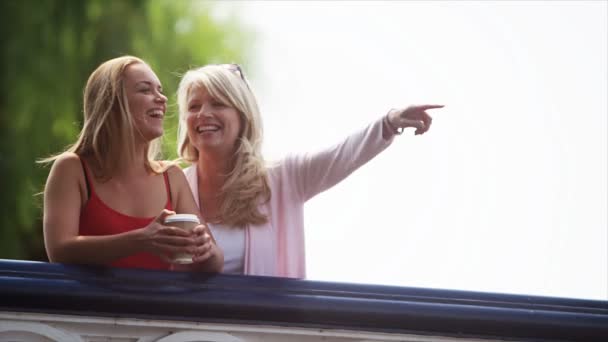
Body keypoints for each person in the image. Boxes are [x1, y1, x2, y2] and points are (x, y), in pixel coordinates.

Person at [176, 63, 442, 278]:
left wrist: (390, 122)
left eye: (218, 104)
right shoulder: (173, 185)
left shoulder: (284, 178)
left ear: (242, 115)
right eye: (194, 106)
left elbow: (342, 155)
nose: (203, 114)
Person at [41, 56, 223, 272]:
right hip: (92, 307)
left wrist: (205, 250)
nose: (162, 99)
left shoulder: (172, 176)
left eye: (160, 89)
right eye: (146, 90)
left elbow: (215, 263)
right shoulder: (72, 169)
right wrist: (141, 240)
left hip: (156, 307)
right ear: (112, 102)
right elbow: (59, 251)